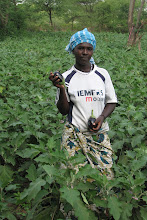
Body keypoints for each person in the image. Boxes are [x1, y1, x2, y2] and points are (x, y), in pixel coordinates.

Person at [49, 28, 117, 180]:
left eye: (89, 48)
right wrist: (61, 89)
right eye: (80, 48)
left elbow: (111, 101)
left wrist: (101, 117)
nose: (85, 52)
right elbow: (64, 111)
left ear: (93, 51)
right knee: (74, 178)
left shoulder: (102, 74)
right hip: (74, 135)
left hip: (98, 135)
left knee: (105, 176)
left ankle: (98, 203)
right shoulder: (67, 77)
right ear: (73, 50)